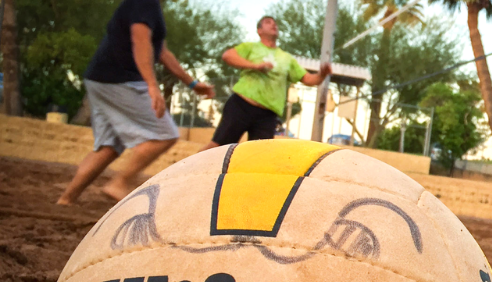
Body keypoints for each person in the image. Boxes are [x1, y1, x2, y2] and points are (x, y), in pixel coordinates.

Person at [56, 0, 214, 205]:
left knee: (109, 146)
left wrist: (191, 83)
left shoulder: (148, 6)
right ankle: (119, 183)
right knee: (164, 135)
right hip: (121, 79)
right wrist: (151, 85)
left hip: (100, 78)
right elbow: (140, 41)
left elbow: (162, 52)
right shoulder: (145, 2)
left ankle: (66, 199)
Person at [200, 16, 332, 151]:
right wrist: (255, 66)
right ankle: (189, 169)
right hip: (241, 106)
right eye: (268, 23)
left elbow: (308, 79)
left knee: (259, 156)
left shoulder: (286, 58)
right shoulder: (250, 47)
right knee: (217, 148)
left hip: (267, 115)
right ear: (259, 30)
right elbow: (228, 56)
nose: (274, 25)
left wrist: (322, 74)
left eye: (275, 23)